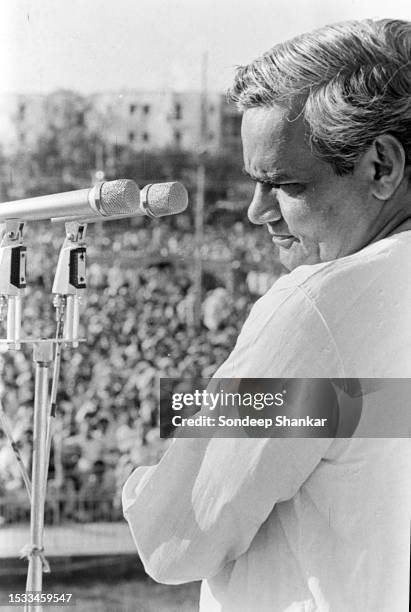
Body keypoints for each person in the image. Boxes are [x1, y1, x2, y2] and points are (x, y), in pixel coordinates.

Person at [122, 19, 411, 612]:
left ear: (381, 166)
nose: (258, 212)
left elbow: (175, 539)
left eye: (282, 184)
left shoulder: (316, 305)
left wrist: (146, 475)